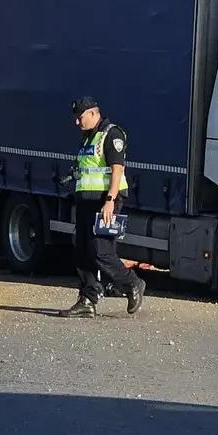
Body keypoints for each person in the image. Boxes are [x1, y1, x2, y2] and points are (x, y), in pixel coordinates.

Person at [62, 95, 145, 318]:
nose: (77, 123)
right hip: (86, 201)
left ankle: (132, 283)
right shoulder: (89, 137)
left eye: (80, 118)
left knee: (101, 250)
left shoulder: (111, 134)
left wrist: (109, 201)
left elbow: (117, 169)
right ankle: (87, 300)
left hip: (105, 201)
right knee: (82, 251)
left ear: (92, 113)